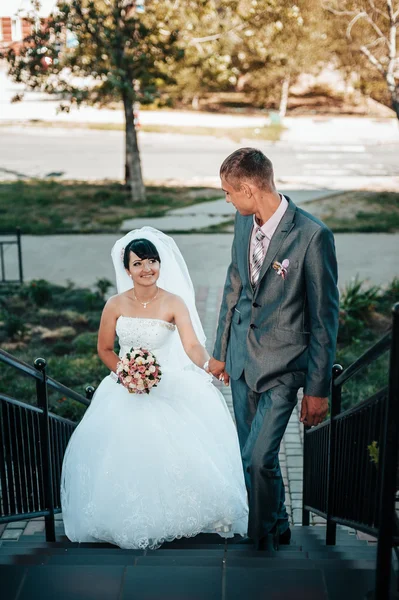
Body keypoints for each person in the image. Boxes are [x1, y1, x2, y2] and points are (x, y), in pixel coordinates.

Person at [61, 227, 248, 550]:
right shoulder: (115, 305)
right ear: (127, 269)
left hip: (169, 384)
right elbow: (105, 348)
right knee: (125, 453)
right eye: (138, 263)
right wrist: (127, 372)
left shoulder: (173, 302)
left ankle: (178, 518)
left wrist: (209, 365)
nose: (147, 269)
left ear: (160, 264)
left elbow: (191, 345)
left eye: (152, 261)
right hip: (126, 388)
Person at [208, 148, 339, 550]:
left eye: (229, 192)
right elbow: (234, 285)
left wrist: (318, 391)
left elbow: (324, 318)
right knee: (255, 458)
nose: (227, 199)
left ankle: (259, 539)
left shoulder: (312, 237)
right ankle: (278, 522)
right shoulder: (243, 221)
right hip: (242, 362)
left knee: (256, 458)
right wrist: (220, 349)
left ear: (248, 188)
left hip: (284, 368)